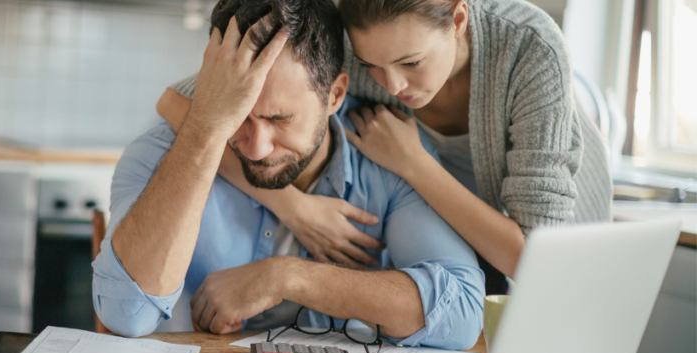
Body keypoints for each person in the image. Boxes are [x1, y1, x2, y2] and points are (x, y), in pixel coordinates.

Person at [93, 0, 485, 350]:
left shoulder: (390, 155)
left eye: (280, 119)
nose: (257, 147)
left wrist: (287, 278)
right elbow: (125, 314)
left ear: (334, 95)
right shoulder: (161, 154)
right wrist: (207, 129)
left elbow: (463, 314)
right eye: (239, 116)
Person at [157, 0, 612, 294]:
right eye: (372, 65)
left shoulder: (530, 51)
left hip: (569, 264)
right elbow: (178, 104)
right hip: (466, 247)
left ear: (458, 19)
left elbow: (537, 257)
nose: (393, 85)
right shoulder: (354, 47)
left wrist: (413, 164)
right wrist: (293, 206)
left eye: (411, 63)